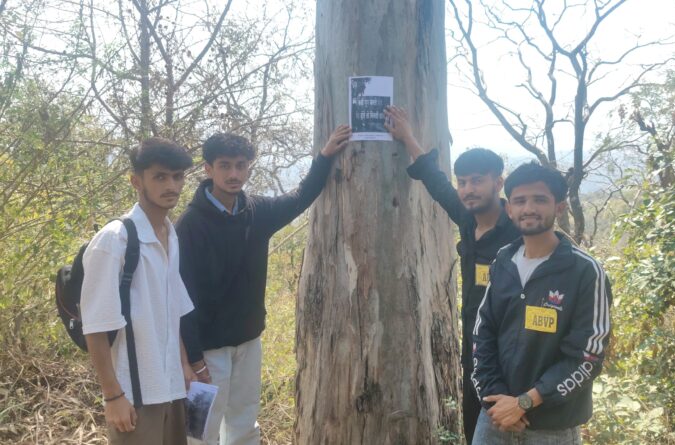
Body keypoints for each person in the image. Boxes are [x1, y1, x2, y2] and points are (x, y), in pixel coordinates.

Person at [177, 125, 352, 445]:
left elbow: (300, 197)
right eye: (225, 165)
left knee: (244, 422)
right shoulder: (190, 225)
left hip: (248, 342)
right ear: (208, 169)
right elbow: (181, 296)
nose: (234, 173)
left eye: (241, 165)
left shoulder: (257, 212)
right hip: (207, 350)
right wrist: (193, 358)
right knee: (199, 430)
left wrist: (325, 156)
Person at [384, 106, 520, 443]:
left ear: (497, 183)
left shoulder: (519, 231)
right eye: (464, 182)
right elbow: (435, 180)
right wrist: (408, 138)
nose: (468, 189)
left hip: (514, 356)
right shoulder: (466, 217)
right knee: (476, 429)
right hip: (475, 353)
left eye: (478, 181)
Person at [470, 162, 612, 444]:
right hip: (494, 420)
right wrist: (497, 402)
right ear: (509, 208)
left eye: (540, 199)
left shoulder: (584, 270)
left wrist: (524, 402)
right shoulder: (503, 261)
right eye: (520, 201)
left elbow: (587, 355)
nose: (529, 208)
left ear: (559, 207)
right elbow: (482, 334)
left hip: (552, 428)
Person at [81, 137, 196, 445]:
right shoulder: (114, 240)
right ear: (136, 181)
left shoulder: (170, 234)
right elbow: (95, 326)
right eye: (160, 176)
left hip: (170, 387)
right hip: (134, 395)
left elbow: (172, 310)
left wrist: (183, 364)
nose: (171, 185)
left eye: (177, 176)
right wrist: (113, 396)